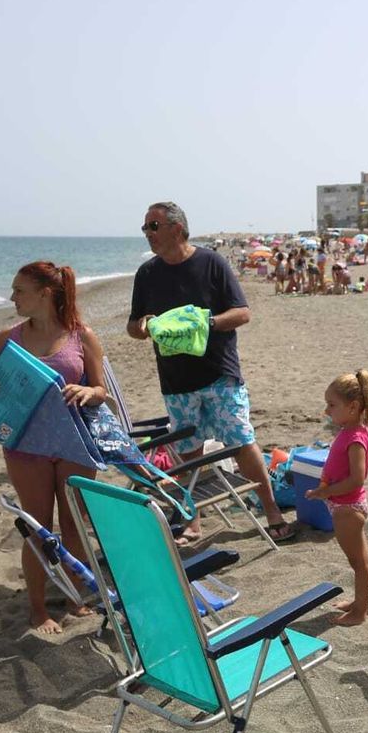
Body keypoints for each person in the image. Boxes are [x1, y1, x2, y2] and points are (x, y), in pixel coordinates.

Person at [128, 202, 296, 543]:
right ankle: (193, 520)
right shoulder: (147, 274)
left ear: (177, 228)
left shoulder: (211, 263)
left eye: (153, 226)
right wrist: (144, 326)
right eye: (145, 227)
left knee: (242, 442)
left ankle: (271, 510)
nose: (147, 233)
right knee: (189, 451)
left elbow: (243, 313)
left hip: (220, 374)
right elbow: (133, 325)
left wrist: (205, 323)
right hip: (176, 382)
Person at [0, 261, 106, 634]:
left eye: (19, 291)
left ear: (45, 293)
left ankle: (75, 596)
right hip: (26, 446)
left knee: (75, 524)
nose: (12, 297)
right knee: (38, 526)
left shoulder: (82, 336)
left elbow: (100, 390)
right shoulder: (6, 338)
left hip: (74, 442)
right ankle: (38, 608)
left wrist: (88, 391)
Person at [305, 370, 368, 626]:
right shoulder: (351, 429)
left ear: (353, 406)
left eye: (332, 405)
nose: (327, 411)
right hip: (345, 505)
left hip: (348, 508)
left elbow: (357, 479)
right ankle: (359, 604)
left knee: (359, 562)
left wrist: (325, 492)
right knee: (359, 560)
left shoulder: (356, 437)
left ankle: (360, 612)